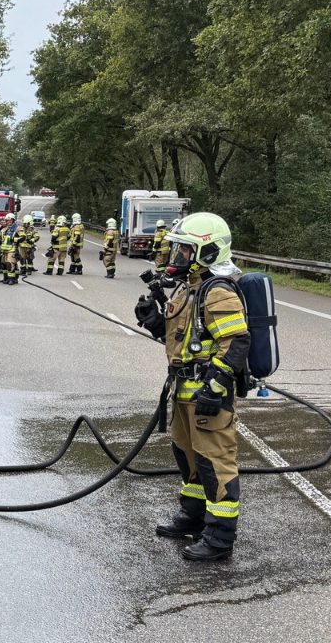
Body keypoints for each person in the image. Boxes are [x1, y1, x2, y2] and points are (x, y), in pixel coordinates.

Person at [134, 213, 250, 562]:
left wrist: (216, 387)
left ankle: (220, 536)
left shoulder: (217, 290)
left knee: (215, 462)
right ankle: (194, 516)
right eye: (179, 249)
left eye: (185, 250)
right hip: (183, 391)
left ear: (208, 251)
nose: (178, 256)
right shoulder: (190, 286)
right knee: (188, 457)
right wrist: (154, 322)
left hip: (207, 394)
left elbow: (237, 342)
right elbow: (185, 339)